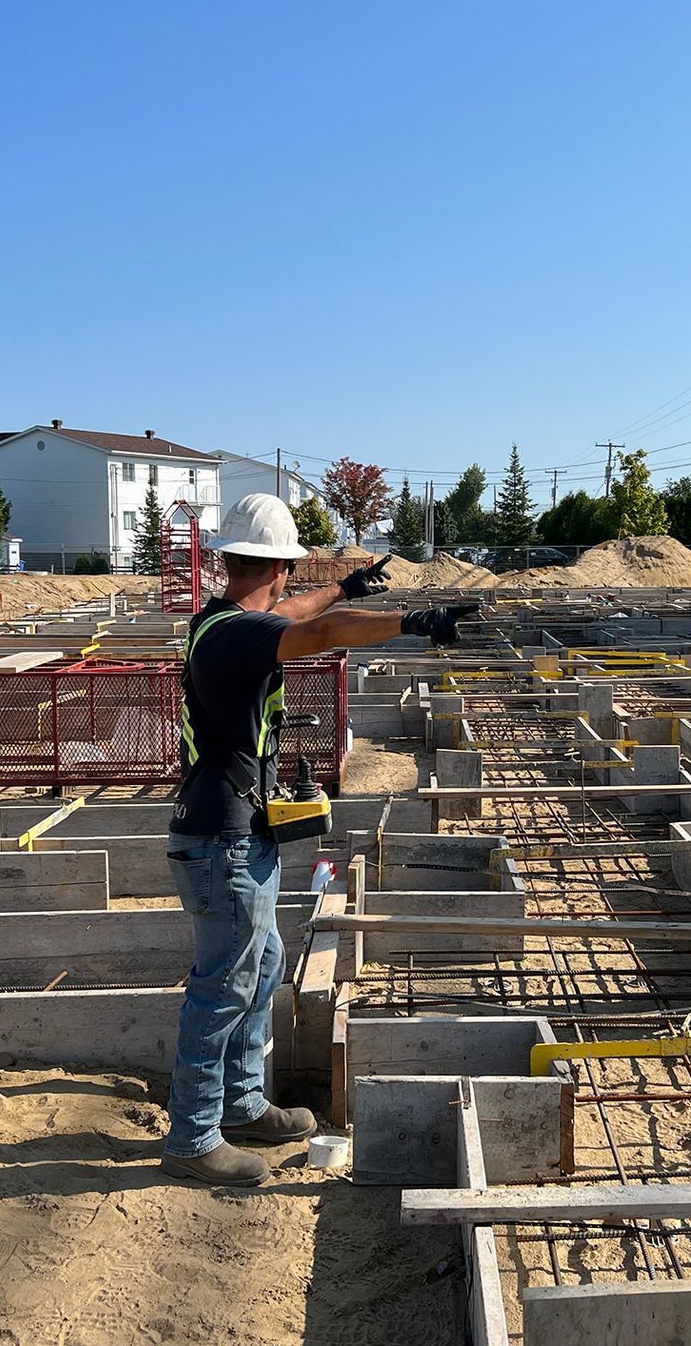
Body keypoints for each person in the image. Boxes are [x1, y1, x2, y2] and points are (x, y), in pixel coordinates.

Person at [161, 493, 479, 1188]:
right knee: (222, 987)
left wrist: (343, 584)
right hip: (224, 842)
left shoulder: (224, 622)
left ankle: (241, 1102)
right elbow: (325, 628)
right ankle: (191, 1138)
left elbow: (302, 613)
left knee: (262, 966)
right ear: (278, 566)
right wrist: (412, 620)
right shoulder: (237, 636)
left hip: (236, 831)